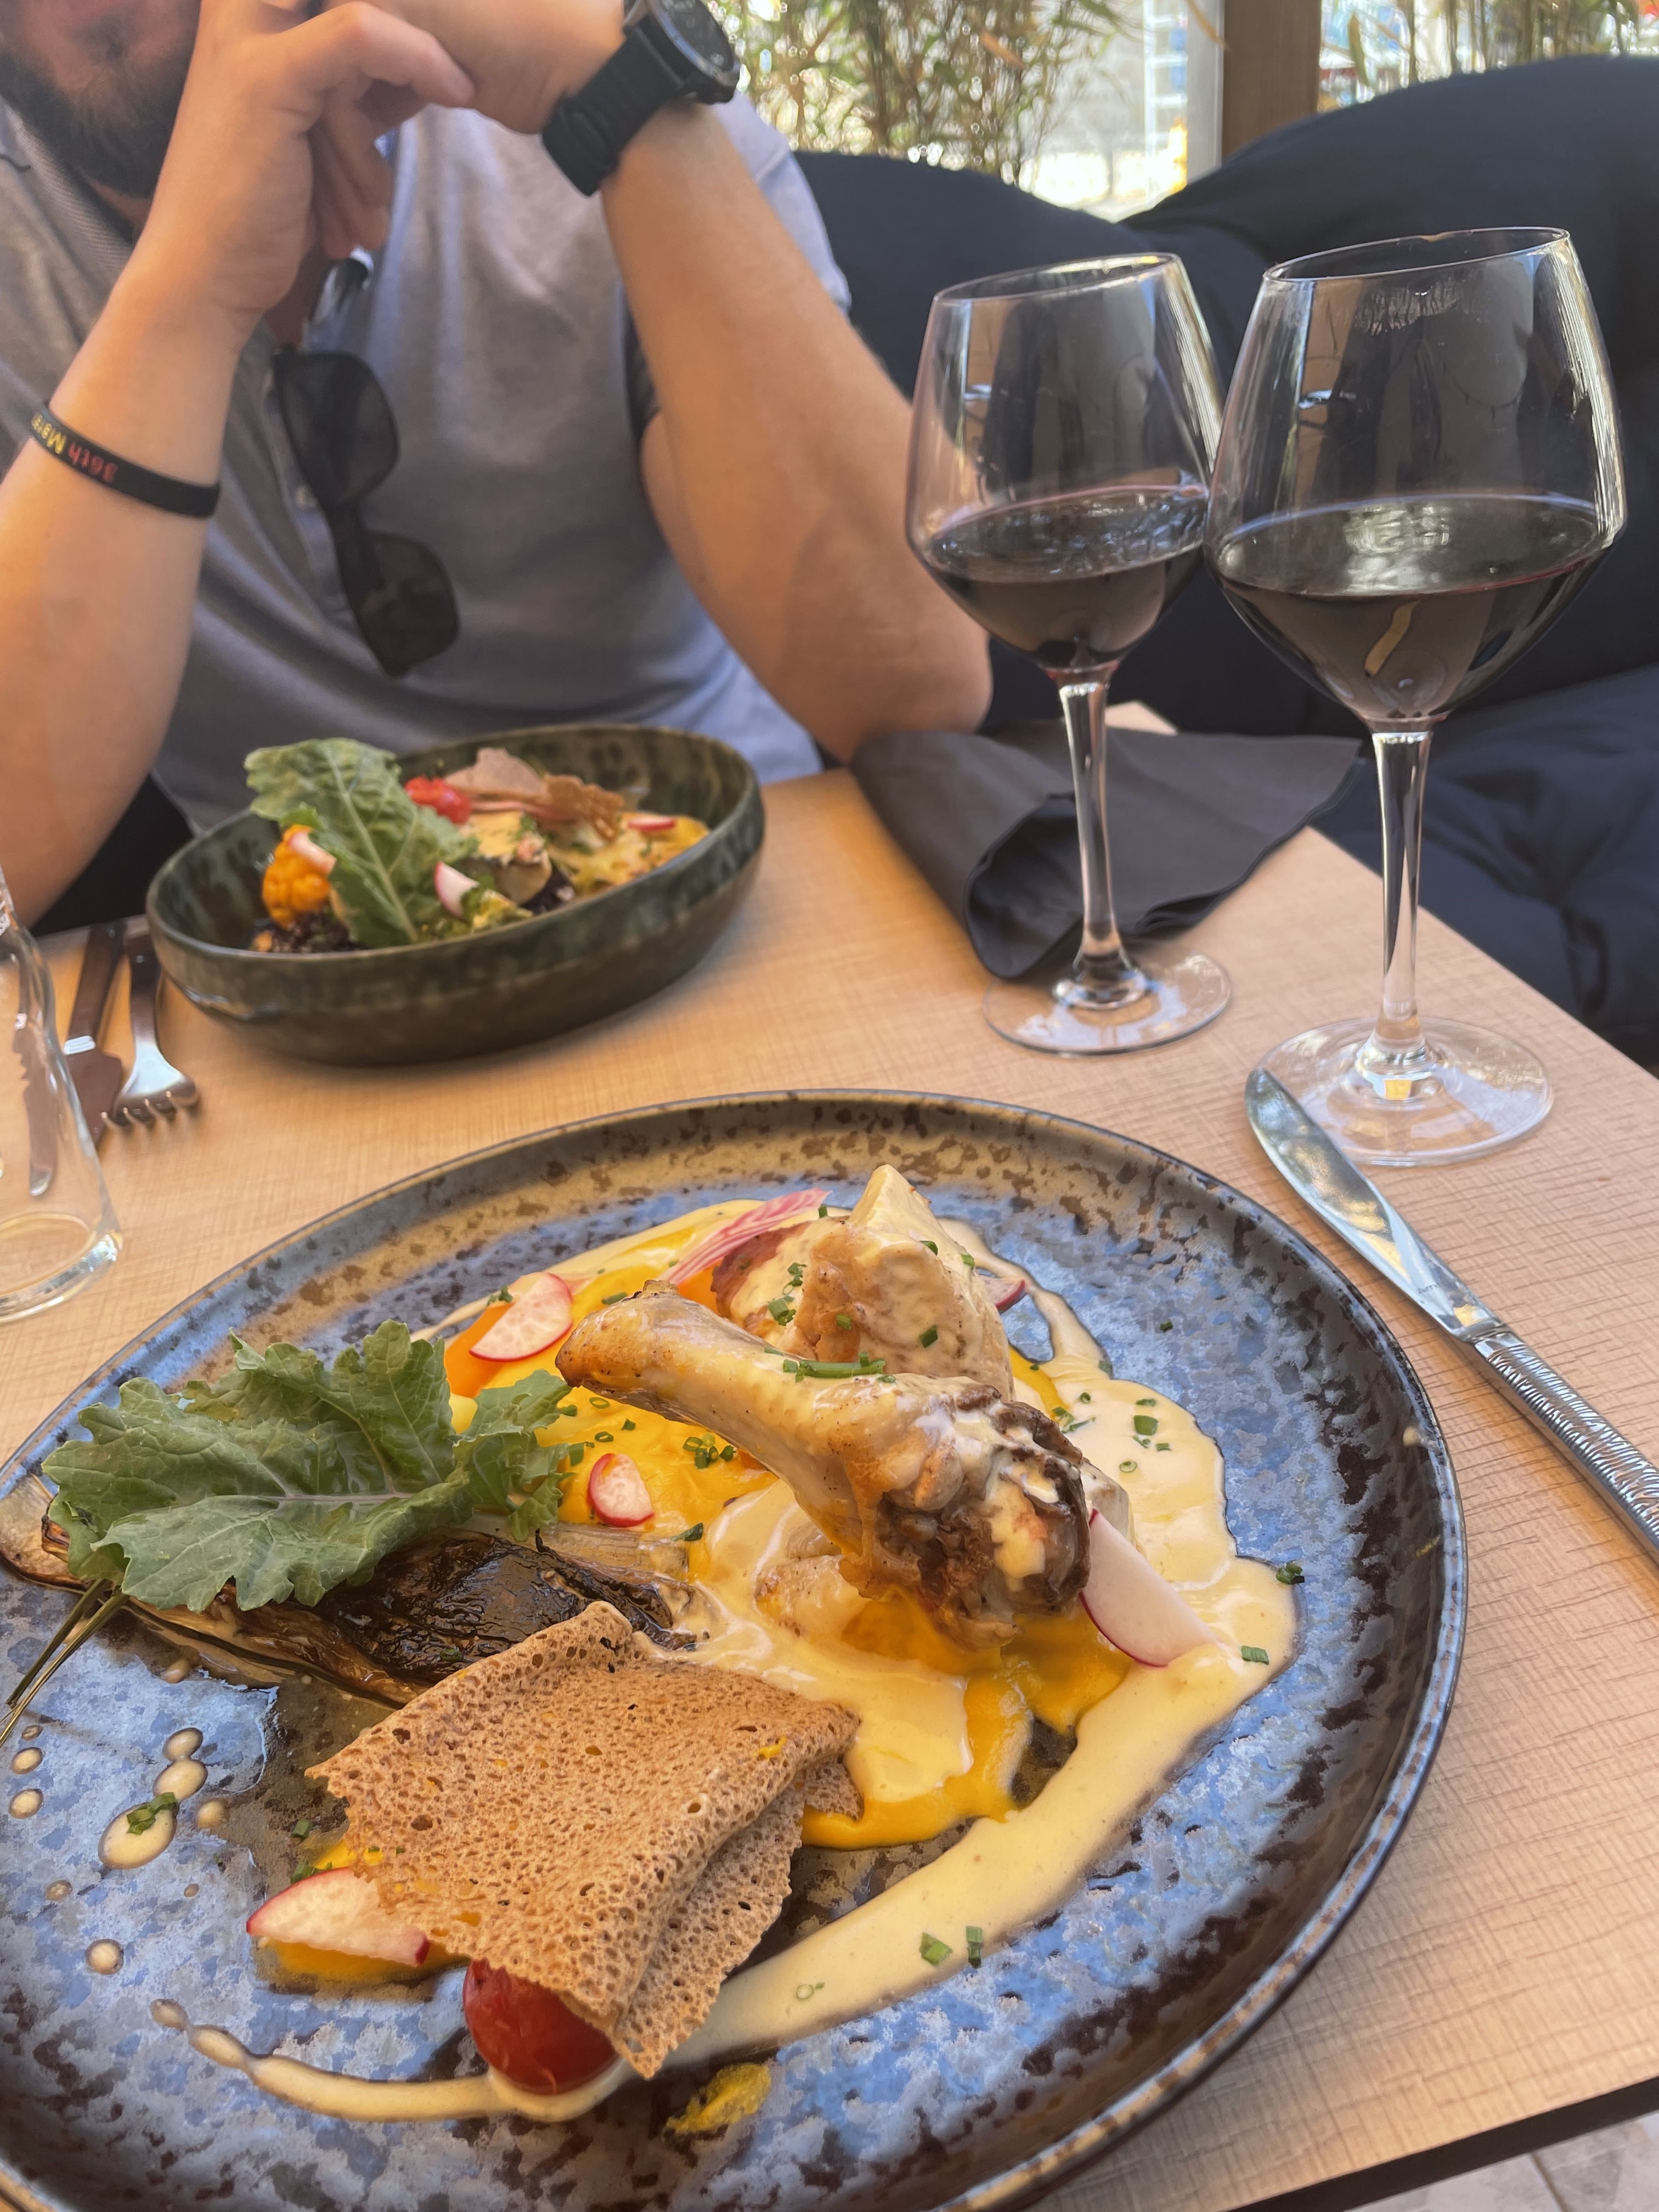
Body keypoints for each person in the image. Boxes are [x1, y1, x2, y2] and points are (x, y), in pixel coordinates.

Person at [0, 0, 990, 923]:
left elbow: (915, 695)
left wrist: (618, 98)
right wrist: (189, 286)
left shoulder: (578, 55)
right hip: (301, 988)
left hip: (724, 912)